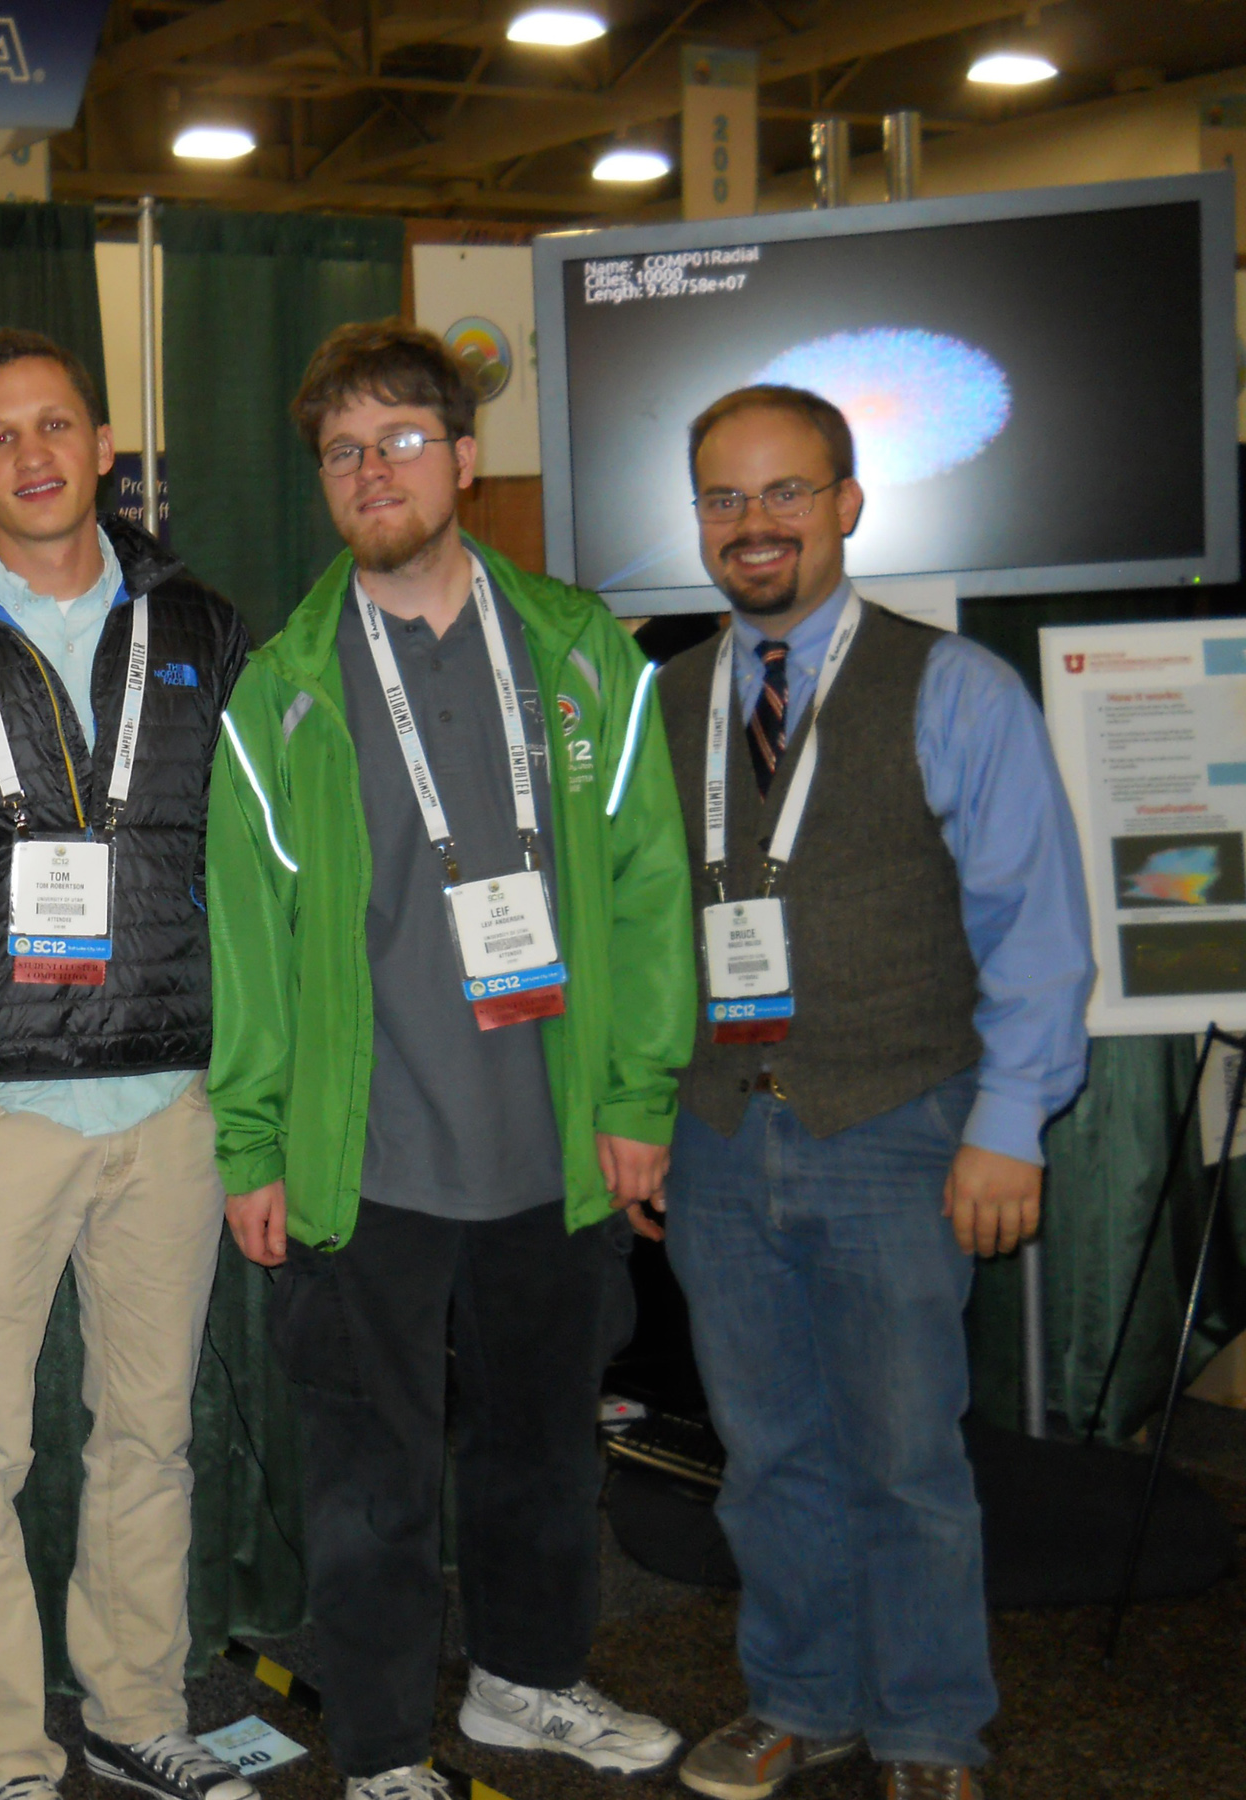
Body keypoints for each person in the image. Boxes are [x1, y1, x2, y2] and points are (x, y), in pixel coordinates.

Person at [209, 319, 696, 1800]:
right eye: (343, 453)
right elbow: (246, 934)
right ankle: (374, 1752)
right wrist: (251, 1142)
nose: (373, 472)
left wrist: (634, 1096)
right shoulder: (280, 691)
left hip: (548, 1142)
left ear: (464, 460)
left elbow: (646, 880)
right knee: (369, 1483)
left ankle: (526, 1685)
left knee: (546, 1448)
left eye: (402, 440)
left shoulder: (577, 649)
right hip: (369, 1160)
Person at [652, 386, 1090, 1800]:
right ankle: (799, 1700)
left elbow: (1036, 925)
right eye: (726, 498)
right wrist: (641, 1114)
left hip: (903, 1129)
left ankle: (927, 1733)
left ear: (846, 502)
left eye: (787, 493)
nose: (755, 523)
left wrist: (1009, 1126)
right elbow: (644, 934)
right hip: (720, 1137)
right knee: (768, 1456)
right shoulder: (667, 698)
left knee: (908, 1462)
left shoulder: (955, 686)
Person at [0, 328, 254, 1800]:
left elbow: (257, 863)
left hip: (170, 1099)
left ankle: (136, 1704)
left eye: (58, 426)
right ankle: (4, 1755)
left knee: (150, 1436)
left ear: (102, 445)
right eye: (1, 437)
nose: (34, 455)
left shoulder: (207, 624)